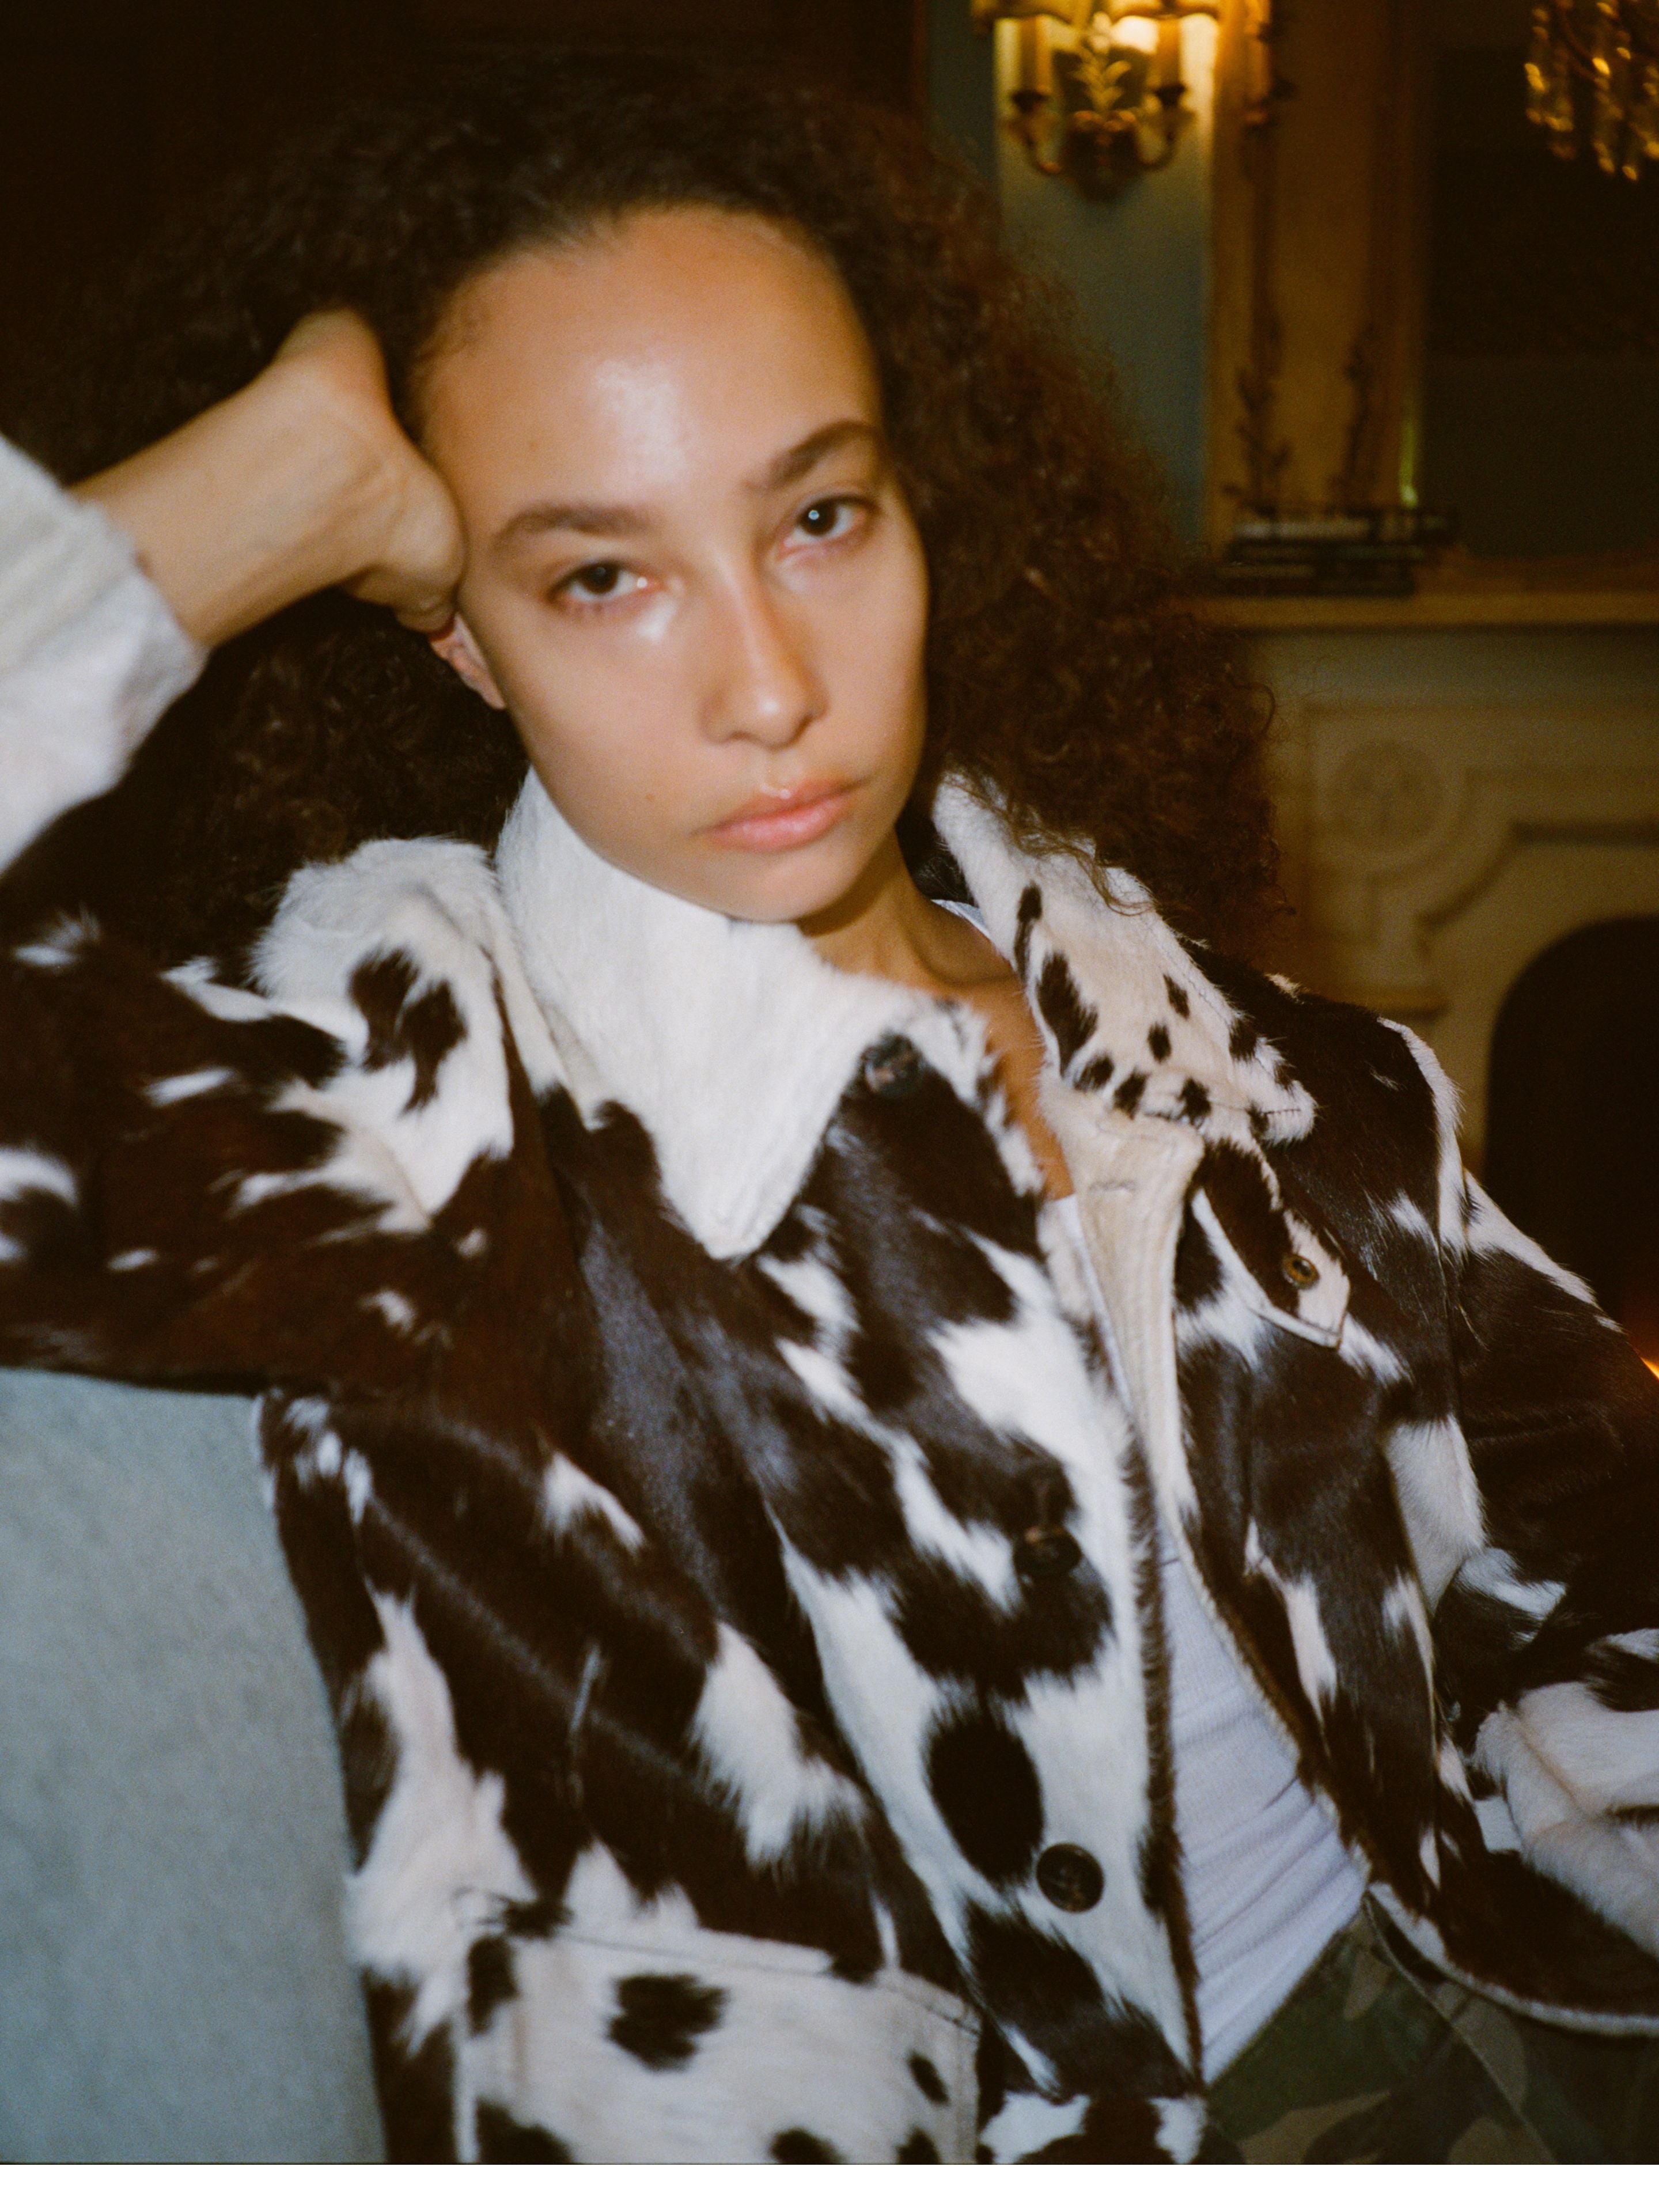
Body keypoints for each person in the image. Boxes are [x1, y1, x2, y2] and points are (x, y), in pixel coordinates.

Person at [2, 51, 1659, 2165]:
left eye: (815, 517)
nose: (769, 685)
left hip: (1523, 1971)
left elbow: (1569, 1497)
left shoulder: (1166, 1004)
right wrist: (258, 492)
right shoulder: (435, 1111)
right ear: (460, 643)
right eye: (603, 576)